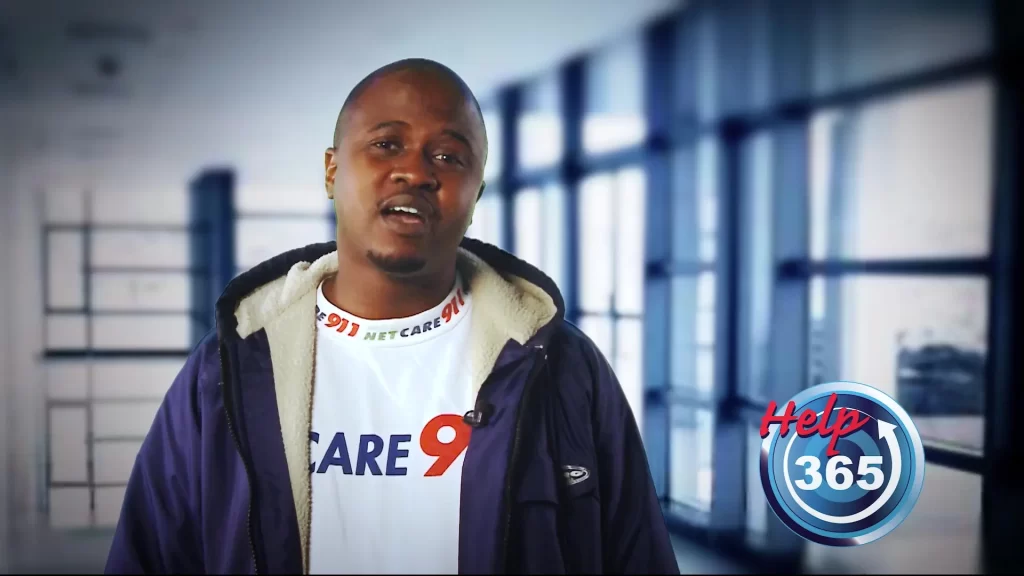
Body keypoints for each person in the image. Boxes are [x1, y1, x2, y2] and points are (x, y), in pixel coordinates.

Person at [105, 58, 678, 575]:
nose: (416, 171)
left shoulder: (562, 367)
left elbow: (637, 554)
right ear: (331, 171)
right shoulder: (227, 371)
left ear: (475, 194)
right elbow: (149, 554)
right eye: (386, 144)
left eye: (448, 156)